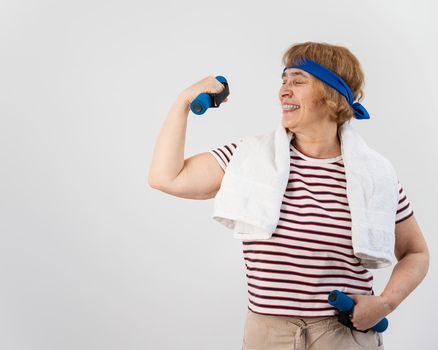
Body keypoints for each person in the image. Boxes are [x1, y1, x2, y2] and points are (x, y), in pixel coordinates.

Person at [148, 42, 429, 349]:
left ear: (332, 95)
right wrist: (182, 102)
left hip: (342, 336)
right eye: (283, 81)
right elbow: (166, 177)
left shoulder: (375, 175)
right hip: (266, 336)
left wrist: (385, 303)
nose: (283, 91)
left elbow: (416, 253)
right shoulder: (248, 158)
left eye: (297, 81)